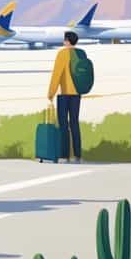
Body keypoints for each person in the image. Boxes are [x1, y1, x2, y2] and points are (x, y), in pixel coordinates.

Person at [48, 30, 83, 162]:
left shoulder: (62, 53)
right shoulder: (81, 53)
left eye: (64, 39)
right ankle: (78, 155)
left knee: (63, 124)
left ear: (67, 41)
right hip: (77, 94)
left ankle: (65, 155)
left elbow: (56, 75)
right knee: (74, 123)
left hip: (65, 94)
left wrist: (51, 93)